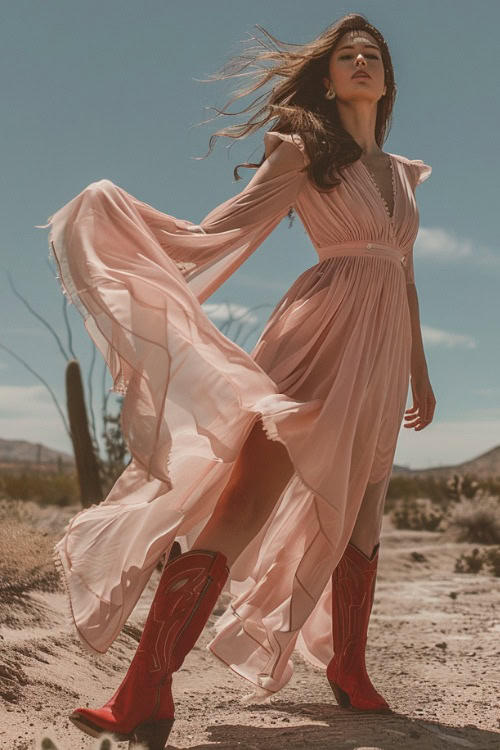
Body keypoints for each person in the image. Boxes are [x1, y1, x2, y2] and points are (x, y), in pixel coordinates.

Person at [37, 12, 436, 750]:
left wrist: (421, 374)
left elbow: (403, 277)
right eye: (347, 53)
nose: (360, 60)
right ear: (327, 77)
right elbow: (217, 232)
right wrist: (118, 221)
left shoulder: (404, 176)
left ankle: (349, 665)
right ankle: (143, 690)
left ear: (387, 79)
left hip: (380, 356)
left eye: (372, 54)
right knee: (247, 498)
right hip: (316, 339)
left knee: (364, 511)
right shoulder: (302, 154)